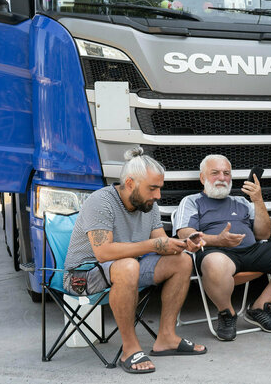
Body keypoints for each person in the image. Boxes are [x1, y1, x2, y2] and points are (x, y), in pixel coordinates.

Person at [63, 147, 206, 374]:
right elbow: (103, 253)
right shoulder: (100, 201)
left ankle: (167, 337)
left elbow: (160, 242)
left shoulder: (148, 205)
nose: (158, 195)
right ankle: (130, 348)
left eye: (159, 188)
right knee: (129, 265)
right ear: (130, 183)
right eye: (152, 188)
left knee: (182, 261)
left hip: (127, 269)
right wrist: (152, 246)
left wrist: (182, 244)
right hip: (82, 276)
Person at [173, 155, 271, 341]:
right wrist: (218, 240)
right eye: (215, 173)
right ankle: (227, 314)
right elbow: (184, 233)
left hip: (251, 251)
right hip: (218, 253)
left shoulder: (243, 202)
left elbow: (264, 234)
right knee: (215, 262)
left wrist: (258, 201)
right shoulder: (191, 201)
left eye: (226, 173)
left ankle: (259, 308)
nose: (222, 178)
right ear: (202, 178)